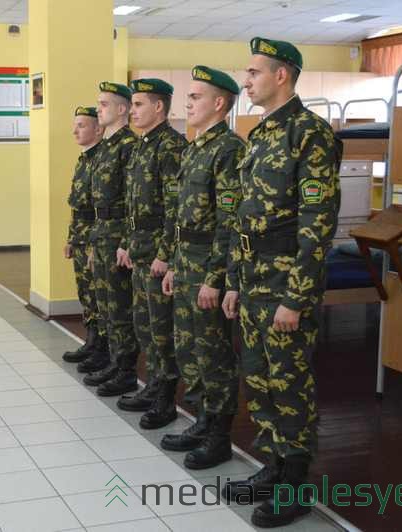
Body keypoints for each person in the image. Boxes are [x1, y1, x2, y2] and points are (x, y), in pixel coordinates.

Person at [220, 38, 342, 528]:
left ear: (281, 76)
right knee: (259, 378)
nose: (245, 81)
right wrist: (232, 280)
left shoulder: (309, 134)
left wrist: (296, 297)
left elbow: (317, 226)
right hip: (251, 282)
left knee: (290, 385)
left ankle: (296, 482)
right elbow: (242, 218)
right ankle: (272, 467)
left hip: (285, 283)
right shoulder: (262, 134)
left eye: (253, 73)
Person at [159, 66, 244, 469]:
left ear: (219, 103)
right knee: (189, 349)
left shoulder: (228, 150)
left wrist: (215, 278)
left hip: (209, 265)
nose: (188, 103)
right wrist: (176, 263)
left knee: (214, 355)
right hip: (187, 262)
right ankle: (202, 419)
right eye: (188, 97)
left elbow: (229, 221)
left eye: (195, 97)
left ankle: (219, 436)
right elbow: (180, 215)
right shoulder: (194, 147)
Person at [115, 79, 188, 426]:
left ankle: (165, 398)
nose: (133, 110)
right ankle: (153, 384)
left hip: (158, 252)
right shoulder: (142, 145)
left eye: (139, 104)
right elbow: (134, 205)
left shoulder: (171, 147)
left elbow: (175, 208)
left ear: (159, 107)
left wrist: (166, 254)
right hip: (140, 249)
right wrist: (128, 243)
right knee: (144, 325)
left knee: (162, 330)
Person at [80, 82, 140, 398]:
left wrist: (126, 241)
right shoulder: (105, 147)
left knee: (119, 307)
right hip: (102, 232)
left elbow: (133, 200)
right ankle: (113, 361)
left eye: (104, 104)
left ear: (121, 109)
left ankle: (126, 370)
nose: (99, 109)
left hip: (118, 234)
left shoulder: (128, 145)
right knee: (105, 305)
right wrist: (92, 243)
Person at [63, 106, 108, 364]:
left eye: (81, 125)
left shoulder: (102, 160)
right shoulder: (84, 159)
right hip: (81, 237)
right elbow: (77, 205)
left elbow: (100, 209)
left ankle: (102, 348)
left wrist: (93, 244)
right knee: (86, 294)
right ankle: (91, 341)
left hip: (95, 237)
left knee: (99, 296)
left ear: (98, 129)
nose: (75, 130)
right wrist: (71, 238)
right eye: (75, 124)